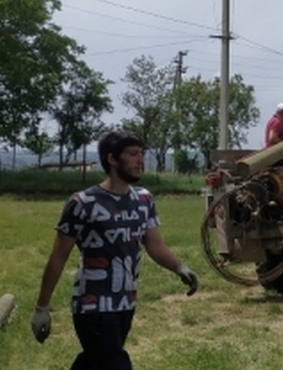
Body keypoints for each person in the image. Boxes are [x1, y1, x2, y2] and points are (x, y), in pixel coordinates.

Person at [30, 130, 199, 370]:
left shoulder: (144, 200)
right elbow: (58, 256)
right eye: (133, 154)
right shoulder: (82, 203)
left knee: (96, 361)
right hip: (92, 305)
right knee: (116, 363)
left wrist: (180, 267)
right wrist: (42, 308)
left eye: (142, 154)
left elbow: (155, 244)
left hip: (125, 303)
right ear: (112, 159)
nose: (141, 160)